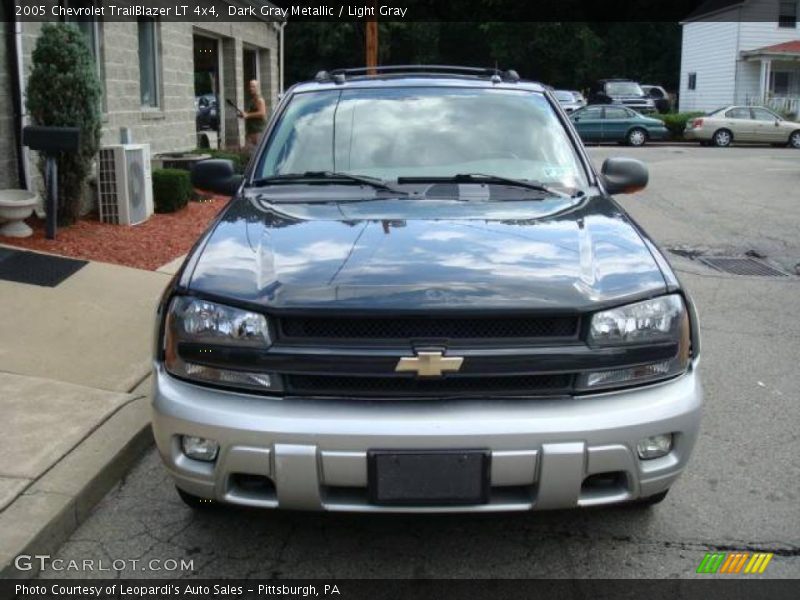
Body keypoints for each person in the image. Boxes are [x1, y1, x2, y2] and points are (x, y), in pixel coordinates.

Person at [241, 79, 267, 147]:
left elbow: (262, 113)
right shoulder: (253, 99)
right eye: (250, 86)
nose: (251, 88)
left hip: (258, 132)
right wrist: (243, 114)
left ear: (258, 88)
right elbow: (252, 113)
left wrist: (248, 115)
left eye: (253, 87)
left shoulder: (260, 100)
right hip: (251, 131)